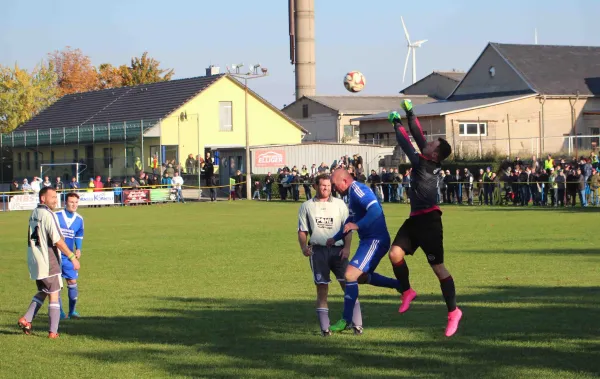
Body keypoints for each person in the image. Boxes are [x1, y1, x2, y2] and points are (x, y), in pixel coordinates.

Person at [387, 99, 462, 337]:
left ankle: (453, 312)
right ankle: (407, 291)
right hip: (415, 220)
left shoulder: (423, 164)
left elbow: (406, 143)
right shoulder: (428, 158)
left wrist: (397, 124)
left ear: (435, 152)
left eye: (432, 143)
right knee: (395, 254)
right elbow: (418, 136)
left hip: (429, 222)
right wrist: (410, 113)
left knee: (437, 267)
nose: (428, 142)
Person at [327, 169, 402, 333]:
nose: (334, 188)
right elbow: (351, 219)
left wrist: (357, 226)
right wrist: (336, 236)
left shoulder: (358, 189)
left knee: (350, 275)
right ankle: (400, 285)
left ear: (344, 181)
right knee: (360, 277)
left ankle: (346, 320)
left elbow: (375, 210)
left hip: (376, 240)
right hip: (367, 240)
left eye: (334, 185)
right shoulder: (351, 195)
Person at [298, 174, 363, 336]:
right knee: (322, 288)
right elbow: (302, 230)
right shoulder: (306, 206)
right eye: (322, 185)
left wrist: (347, 248)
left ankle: (357, 324)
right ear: (315, 186)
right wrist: (303, 247)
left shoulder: (340, 204)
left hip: (338, 251)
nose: (326, 188)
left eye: (328, 185)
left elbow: (347, 228)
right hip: (318, 252)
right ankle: (325, 328)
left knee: (348, 286)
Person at [18, 187, 80, 339]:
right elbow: (58, 240)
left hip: (35, 259)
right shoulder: (48, 214)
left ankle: (26, 319)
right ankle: (53, 332)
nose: (55, 199)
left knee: (44, 291)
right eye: (52, 197)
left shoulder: (34, 213)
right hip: (48, 259)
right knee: (54, 294)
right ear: (42, 199)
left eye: (56, 196)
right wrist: (72, 256)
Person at [54, 192, 84, 319]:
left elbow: (79, 235)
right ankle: (60, 312)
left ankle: (72, 311)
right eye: (71, 202)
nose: (74, 205)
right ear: (65, 202)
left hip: (69, 256)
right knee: (56, 285)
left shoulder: (79, 219)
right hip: (54, 255)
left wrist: (79, 249)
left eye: (76, 202)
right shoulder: (56, 216)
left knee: (72, 281)